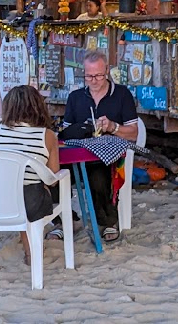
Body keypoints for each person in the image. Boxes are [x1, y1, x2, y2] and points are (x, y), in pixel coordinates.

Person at [59, 50, 138, 243]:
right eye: (89, 76)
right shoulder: (75, 97)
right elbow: (65, 133)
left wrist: (113, 127)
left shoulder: (122, 94)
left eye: (98, 75)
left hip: (109, 156)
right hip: (78, 154)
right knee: (53, 174)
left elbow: (134, 133)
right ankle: (66, 220)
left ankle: (107, 221)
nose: (94, 81)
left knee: (98, 177)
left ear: (107, 71)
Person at [0, 85, 60, 263]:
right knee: (30, 191)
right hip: (30, 205)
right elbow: (53, 177)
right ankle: (31, 253)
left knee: (14, 188)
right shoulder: (47, 136)